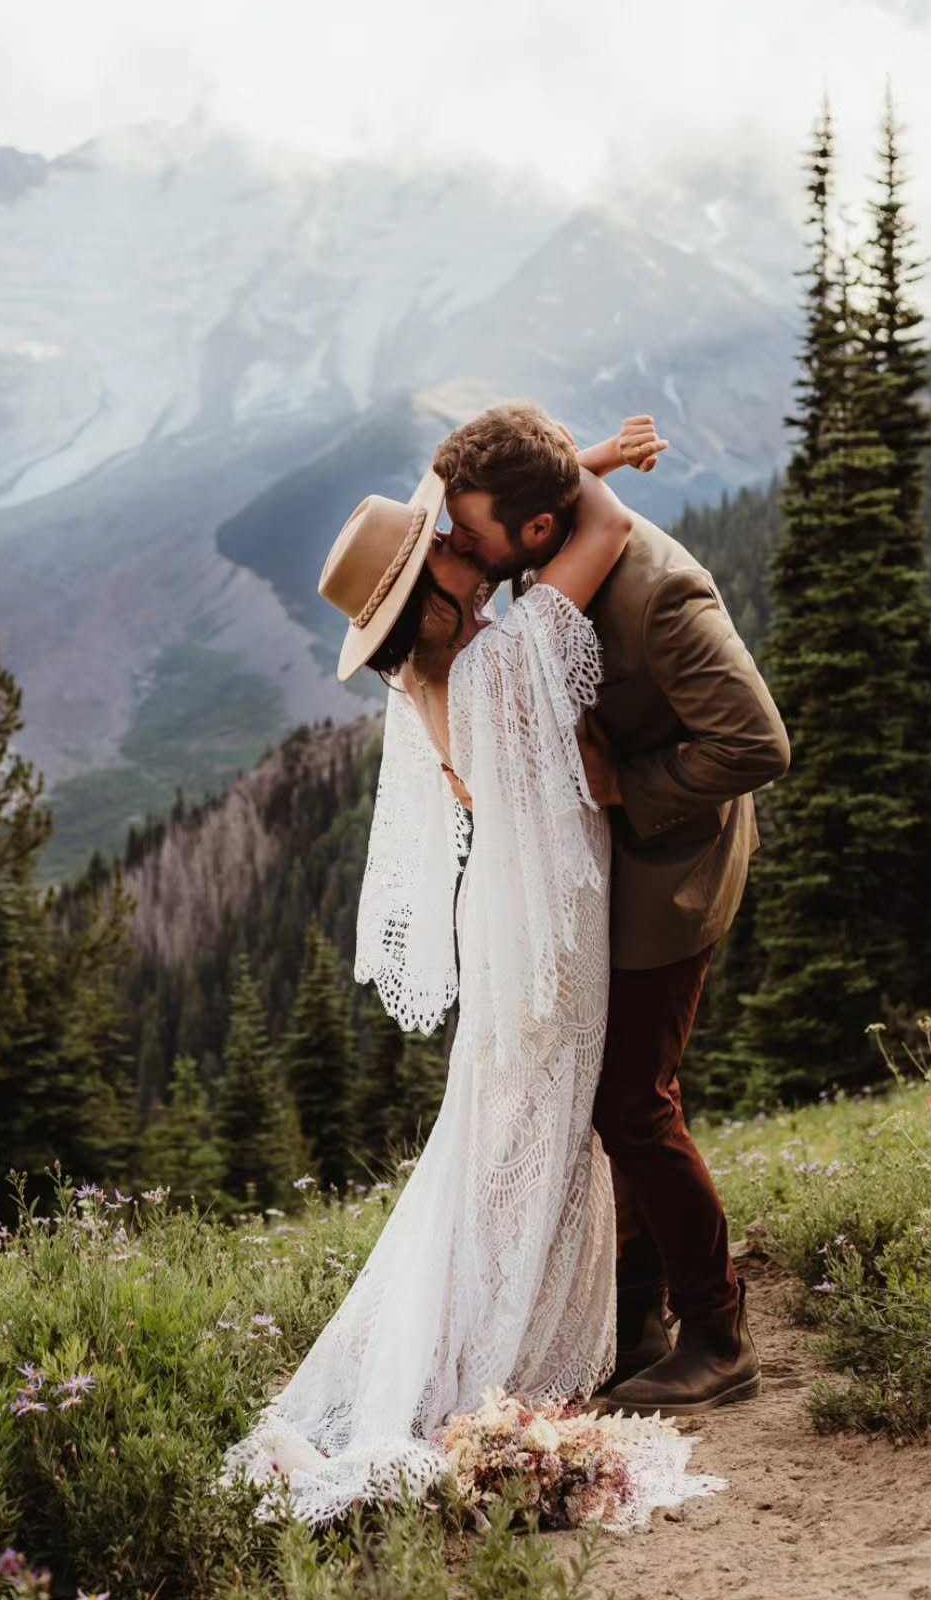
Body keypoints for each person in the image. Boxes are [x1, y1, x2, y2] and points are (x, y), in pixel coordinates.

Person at [219, 414, 725, 1529]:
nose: (455, 539)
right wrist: (577, 474)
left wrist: (568, 464)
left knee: (511, 1135)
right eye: (442, 548)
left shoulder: (429, 674)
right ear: (433, 599)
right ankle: (548, 1341)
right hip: (557, 936)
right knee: (560, 1129)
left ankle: (560, 1320)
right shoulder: (504, 659)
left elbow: (486, 520)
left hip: (512, 923)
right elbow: (606, 529)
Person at [433, 402, 790, 1415]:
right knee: (606, 1092)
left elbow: (757, 745)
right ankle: (638, 1322)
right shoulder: (537, 540)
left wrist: (624, 785)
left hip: (672, 864)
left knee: (634, 1102)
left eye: (473, 532)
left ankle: (719, 1337)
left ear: (539, 528)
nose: (460, 544)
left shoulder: (661, 596)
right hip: (605, 858)